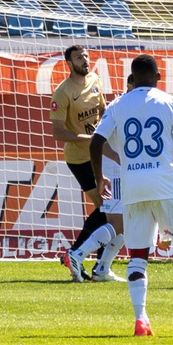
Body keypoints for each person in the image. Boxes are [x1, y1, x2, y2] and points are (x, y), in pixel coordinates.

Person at [89, 53, 173, 338]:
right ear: (158, 77)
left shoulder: (117, 105)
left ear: (132, 77)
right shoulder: (171, 103)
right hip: (165, 185)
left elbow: (96, 142)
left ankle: (141, 320)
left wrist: (98, 176)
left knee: (138, 254)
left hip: (132, 187)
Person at [52, 45, 115, 281]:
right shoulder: (63, 92)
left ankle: (94, 264)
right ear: (69, 63)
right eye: (79, 57)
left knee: (108, 208)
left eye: (86, 56)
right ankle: (80, 255)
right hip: (79, 158)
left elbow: (103, 111)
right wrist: (89, 139)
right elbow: (58, 133)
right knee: (106, 207)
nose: (85, 60)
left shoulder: (96, 80)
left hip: (99, 153)